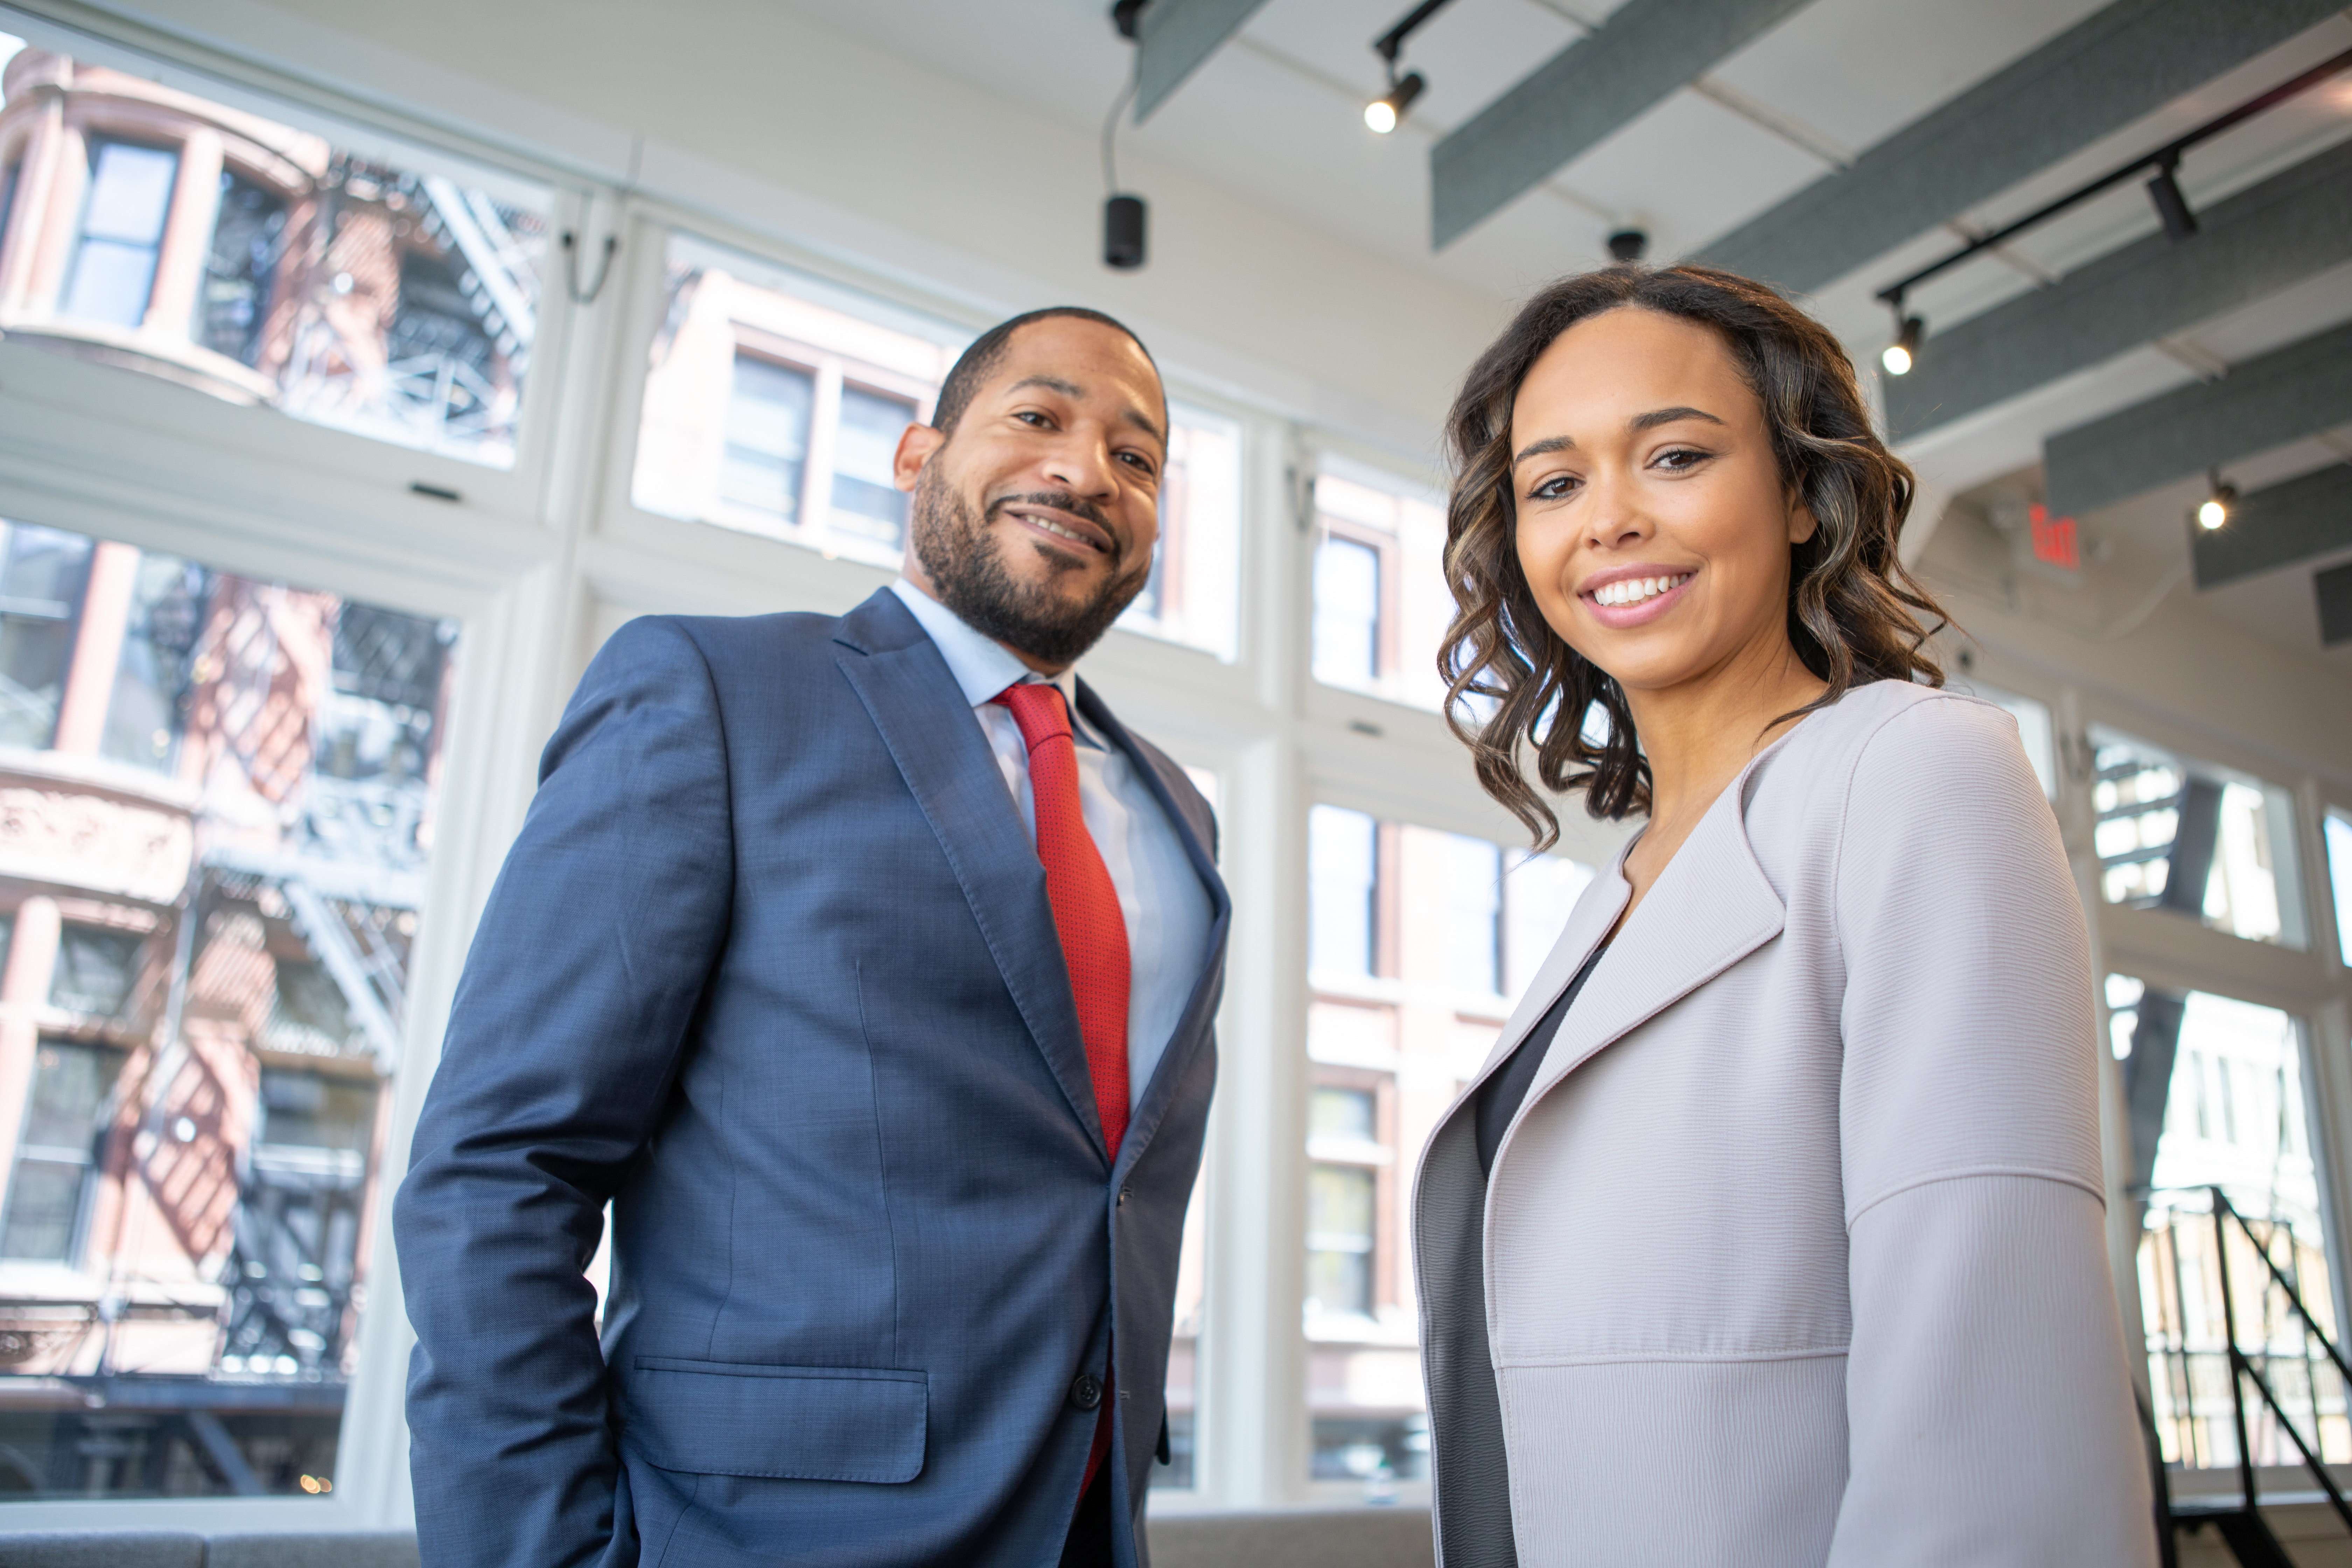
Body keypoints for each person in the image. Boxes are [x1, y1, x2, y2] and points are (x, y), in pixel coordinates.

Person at [395, 306, 1229, 1568]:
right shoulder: (709, 694)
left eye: (1137, 457)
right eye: (1040, 418)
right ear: (917, 456)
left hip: (1086, 1529)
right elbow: (506, 1169)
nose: (1085, 471)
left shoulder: (1179, 812)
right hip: (756, 1529)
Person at [1413, 265, 2155, 1566]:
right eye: (1554, 483)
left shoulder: (1916, 771)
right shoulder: (1620, 893)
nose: (1609, 521)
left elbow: (1997, 1409)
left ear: (1804, 495)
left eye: (1677, 456)